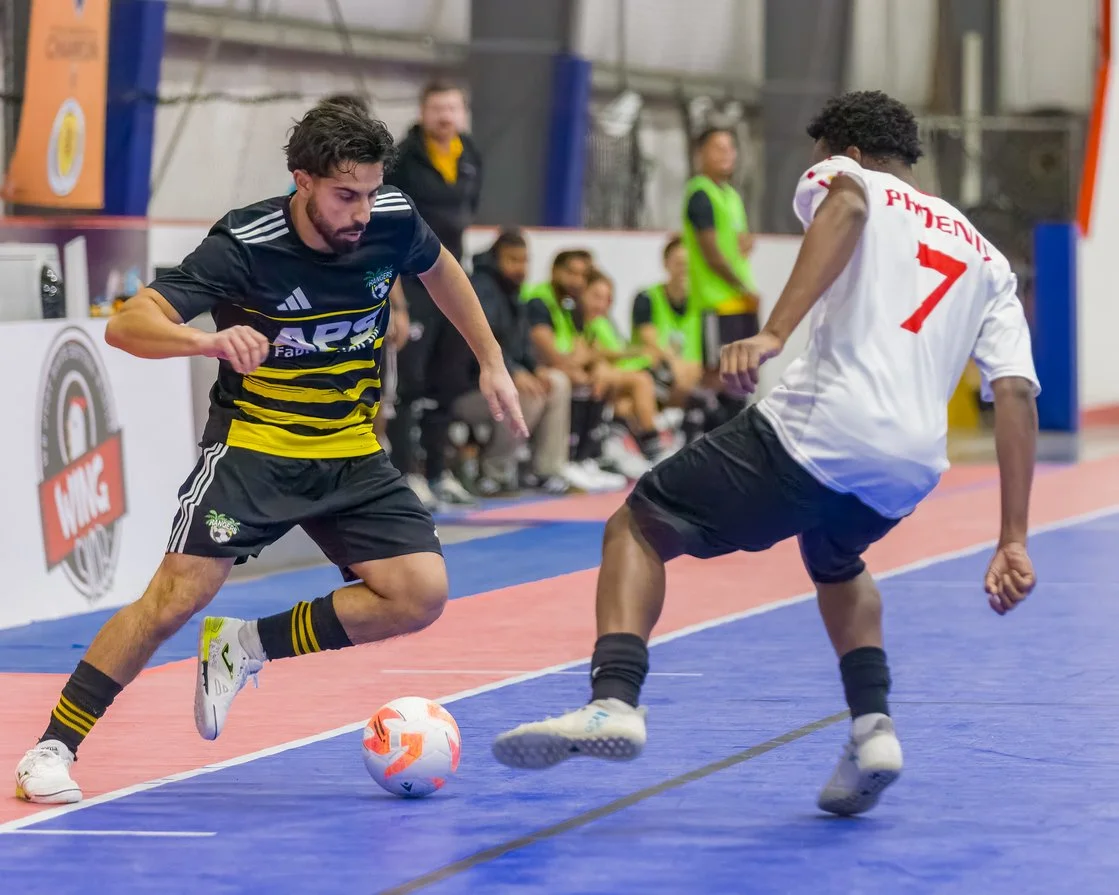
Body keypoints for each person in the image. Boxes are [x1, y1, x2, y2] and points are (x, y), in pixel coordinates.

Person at [492, 90, 1040, 817]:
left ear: (837, 148)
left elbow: (844, 208)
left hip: (821, 429)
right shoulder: (986, 256)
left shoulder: (847, 179)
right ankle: (872, 726)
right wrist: (1011, 536)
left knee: (638, 523)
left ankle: (612, 700)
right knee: (836, 559)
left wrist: (775, 331)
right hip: (907, 468)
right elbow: (1015, 394)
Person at [15, 103, 524, 804]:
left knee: (418, 593)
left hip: (349, 448)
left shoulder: (392, 218)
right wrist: (206, 341)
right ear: (302, 181)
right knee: (173, 598)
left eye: (372, 192)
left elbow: (441, 273)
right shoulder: (245, 243)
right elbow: (131, 324)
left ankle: (244, 645)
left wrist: (490, 359)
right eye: (346, 195)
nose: (361, 212)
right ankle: (52, 746)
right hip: (254, 447)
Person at [384, 80, 484, 509]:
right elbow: (387, 219)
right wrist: (397, 299)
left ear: (462, 113)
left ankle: (440, 474)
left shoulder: (470, 156)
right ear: (423, 112)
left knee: (445, 382)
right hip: (413, 277)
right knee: (411, 383)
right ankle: (408, 474)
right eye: (437, 108)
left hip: (453, 277)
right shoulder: (404, 159)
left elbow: (468, 212)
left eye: (453, 108)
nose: (445, 116)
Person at [454, 229, 584, 495]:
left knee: (555, 382)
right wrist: (514, 372)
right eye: (513, 260)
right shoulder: (481, 287)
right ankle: (494, 473)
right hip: (465, 388)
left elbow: (521, 344)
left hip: (498, 379)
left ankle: (546, 470)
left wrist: (534, 370)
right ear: (495, 259)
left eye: (525, 260)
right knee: (525, 395)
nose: (520, 267)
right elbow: (481, 342)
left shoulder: (513, 293)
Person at [523, 251, 626, 491]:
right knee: (574, 380)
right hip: (538, 369)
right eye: (571, 273)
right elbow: (551, 351)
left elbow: (585, 350)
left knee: (599, 377)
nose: (577, 281)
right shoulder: (539, 301)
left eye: (583, 275)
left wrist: (592, 365)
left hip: (562, 367)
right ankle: (565, 461)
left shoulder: (571, 307)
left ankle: (585, 458)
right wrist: (580, 365)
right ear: (555, 271)